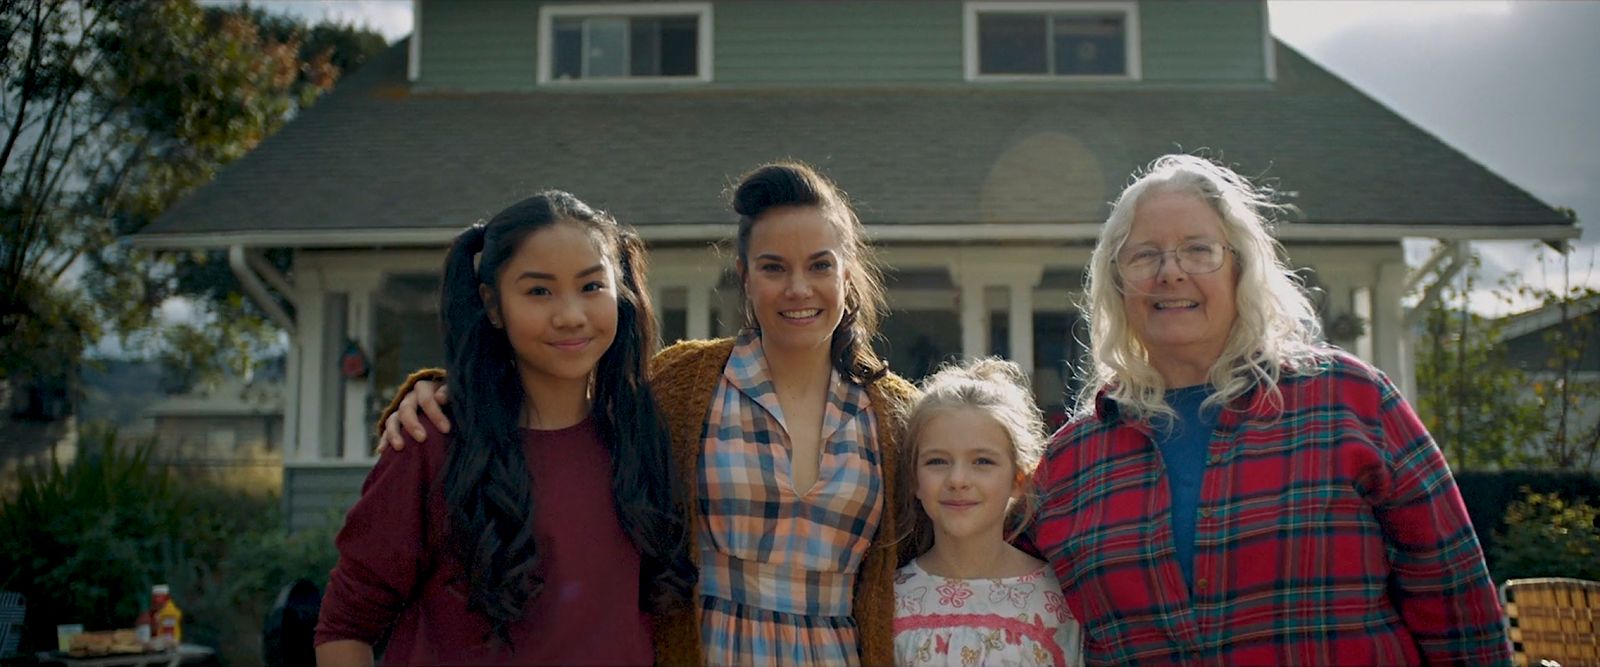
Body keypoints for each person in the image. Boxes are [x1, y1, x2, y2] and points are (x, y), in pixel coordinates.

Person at [379, 162, 918, 666]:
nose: (798, 288)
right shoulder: (681, 385)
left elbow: (977, 513)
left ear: (847, 274)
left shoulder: (897, 415)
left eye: (820, 265)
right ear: (745, 277)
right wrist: (441, 388)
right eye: (773, 267)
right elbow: (565, 400)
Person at [1031, 154, 1510, 665]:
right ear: (1116, 283)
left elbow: (1457, 606)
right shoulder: (1070, 462)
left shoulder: (1351, 400)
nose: (1170, 273)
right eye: (1143, 255)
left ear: (1241, 267)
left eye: (1198, 250)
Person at [314, 192, 695, 666]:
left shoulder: (645, 438)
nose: (571, 314)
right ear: (493, 306)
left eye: (591, 286)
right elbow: (344, 628)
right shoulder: (433, 441)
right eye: (539, 291)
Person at [893, 359, 1083, 667]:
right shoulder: (889, 600)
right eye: (937, 461)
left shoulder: (1058, 599)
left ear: (1018, 480)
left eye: (982, 461)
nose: (958, 480)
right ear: (914, 479)